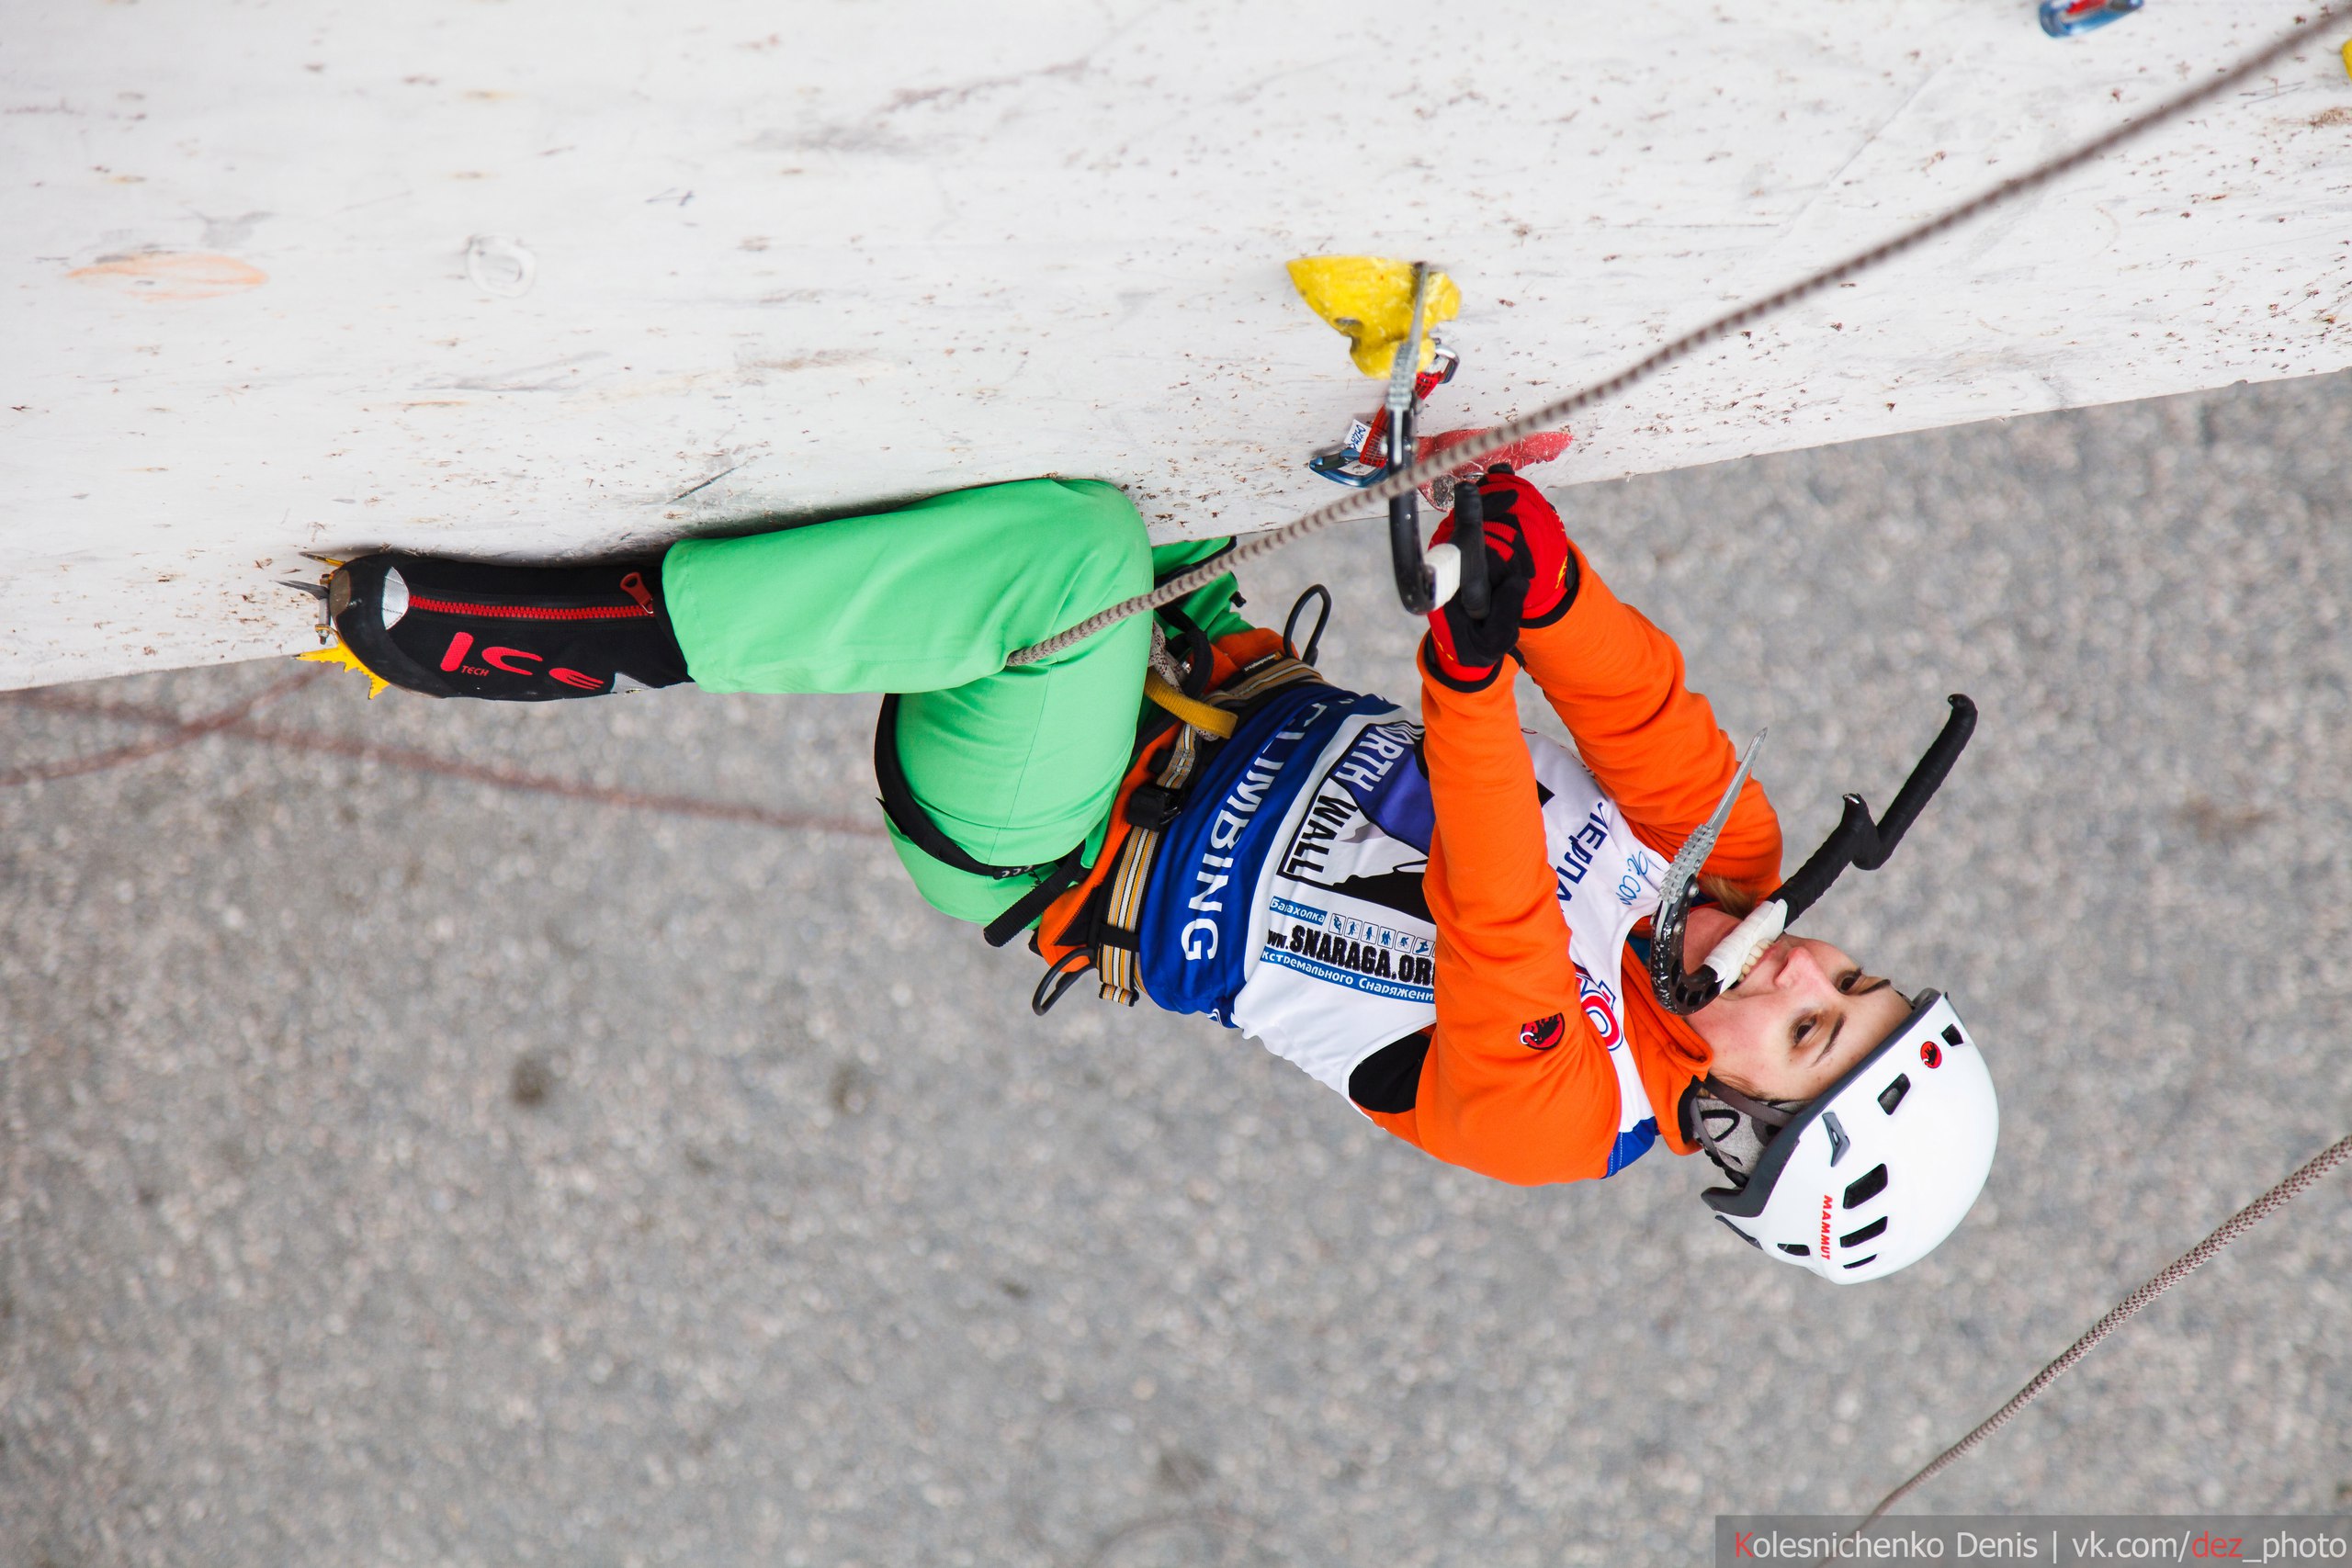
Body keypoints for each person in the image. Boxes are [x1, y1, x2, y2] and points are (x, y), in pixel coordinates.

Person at [311, 471, 1997, 1282]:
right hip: (1205, 649)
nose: (1802, 972)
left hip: (1042, 831)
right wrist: (1543, 580)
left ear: (1731, 1125)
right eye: (1853, 980)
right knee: (1155, 432)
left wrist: (1472, 681)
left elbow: (1496, 918)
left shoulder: (1567, 1117)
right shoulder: (1737, 869)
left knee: (1069, 557)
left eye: (1805, 1037)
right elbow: (1644, 705)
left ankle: (561, 639)